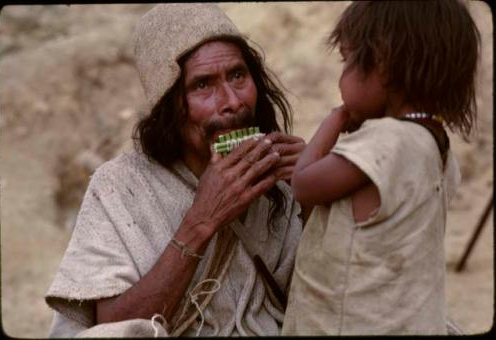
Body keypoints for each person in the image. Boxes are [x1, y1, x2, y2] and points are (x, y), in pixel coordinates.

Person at [45, 4, 306, 337]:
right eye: (202, 85)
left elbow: (326, 302)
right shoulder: (118, 186)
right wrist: (202, 220)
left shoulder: (279, 183)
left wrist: (317, 200)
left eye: (238, 76)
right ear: (167, 103)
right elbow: (113, 328)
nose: (231, 101)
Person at [282, 0, 480, 335]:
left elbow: (302, 184)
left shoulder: (383, 141)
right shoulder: (437, 150)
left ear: (384, 63)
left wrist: (335, 118)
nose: (341, 79)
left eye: (346, 61)